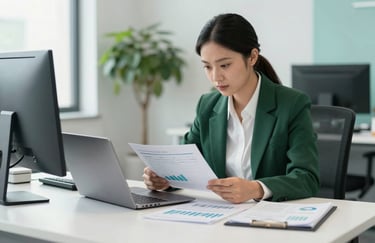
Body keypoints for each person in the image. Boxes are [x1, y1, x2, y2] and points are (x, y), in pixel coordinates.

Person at [143, 13, 320, 203]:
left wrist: (255, 189)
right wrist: (165, 179)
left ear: (252, 57)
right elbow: (185, 165)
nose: (216, 77)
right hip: (219, 216)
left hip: (270, 218)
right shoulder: (207, 106)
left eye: (225, 65)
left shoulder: (292, 104)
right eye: (207, 67)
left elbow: (306, 178)